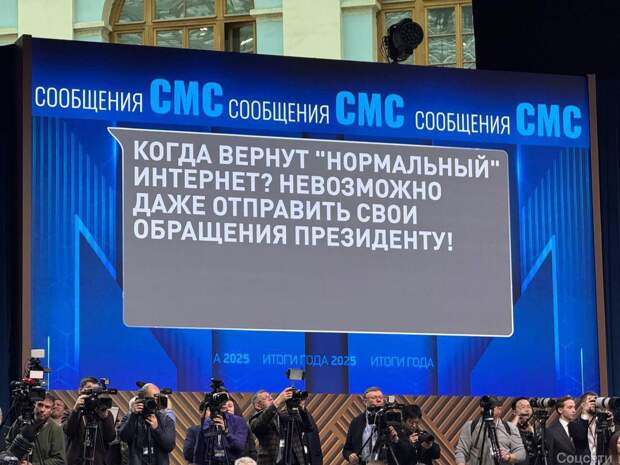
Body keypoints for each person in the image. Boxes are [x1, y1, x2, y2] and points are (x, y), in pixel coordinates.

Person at [250, 388, 314, 465]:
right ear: (258, 406)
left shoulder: (284, 415)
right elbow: (260, 424)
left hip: (296, 461)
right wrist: (278, 401)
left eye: (270, 396)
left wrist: (301, 407)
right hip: (272, 461)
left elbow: (308, 427)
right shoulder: (255, 419)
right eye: (266, 398)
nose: (270, 398)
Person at [454, 396, 525, 465]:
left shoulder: (510, 428)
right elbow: (461, 451)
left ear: (500, 409)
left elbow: (521, 453)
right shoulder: (470, 426)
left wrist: (508, 457)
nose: (487, 409)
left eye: (491, 407)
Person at [63, 377, 116, 465]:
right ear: (80, 390)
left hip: (97, 461)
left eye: (95, 389)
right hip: (76, 461)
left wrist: (105, 417)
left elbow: (110, 438)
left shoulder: (105, 413)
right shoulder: (71, 413)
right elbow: (68, 431)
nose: (92, 392)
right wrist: (76, 410)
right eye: (89, 388)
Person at [118, 383, 175, 465]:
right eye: (153, 399)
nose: (156, 402)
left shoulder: (166, 420)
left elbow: (169, 446)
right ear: (141, 400)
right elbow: (124, 437)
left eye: (158, 398)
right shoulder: (130, 418)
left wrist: (157, 429)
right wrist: (133, 416)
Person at [4, 394, 66, 465]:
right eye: (40, 405)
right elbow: (8, 441)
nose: (42, 410)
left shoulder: (55, 429)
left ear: (51, 410)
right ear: (34, 405)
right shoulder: (21, 420)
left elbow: (59, 460)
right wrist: (15, 459)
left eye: (47, 407)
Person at [183, 399, 249, 465]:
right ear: (203, 413)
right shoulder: (194, 430)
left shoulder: (234, 427)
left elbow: (241, 448)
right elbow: (188, 454)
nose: (214, 413)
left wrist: (226, 432)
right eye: (210, 410)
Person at [342, 387, 385, 465]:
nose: (378, 400)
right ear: (365, 401)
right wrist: (350, 456)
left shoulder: (390, 421)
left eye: (380, 397)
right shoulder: (356, 422)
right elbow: (346, 449)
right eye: (374, 398)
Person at [570, 392, 615, 465]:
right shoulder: (574, 423)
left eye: (595, 400)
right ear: (583, 405)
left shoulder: (602, 422)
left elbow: (612, 443)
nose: (594, 402)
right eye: (590, 400)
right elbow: (580, 436)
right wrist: (585, 413)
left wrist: (610, 424)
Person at [545, 396, 578, 465]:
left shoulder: (578, 427)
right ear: (560, 410)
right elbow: (550, 458)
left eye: (574, 407)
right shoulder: (551, 431)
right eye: (570, 407)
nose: (574, 410)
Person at [510, 398, 535, 465]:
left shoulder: (531, 428)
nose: (527, 409)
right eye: (522, 407)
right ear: (514, 412)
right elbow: (509, 432)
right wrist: (518, 415)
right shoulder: (510, 426)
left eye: (528, 407)